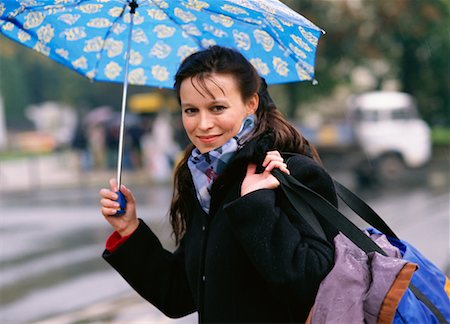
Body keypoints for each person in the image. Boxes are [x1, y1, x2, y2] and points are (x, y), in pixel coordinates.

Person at [99, 45, 338, 323]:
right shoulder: (204, 179)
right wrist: (129, 230)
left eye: (217, 108)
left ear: (251, 103)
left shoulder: (292, 173)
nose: (203, 124)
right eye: (190, 110)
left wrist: (256, 205)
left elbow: (315, 285)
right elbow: (179, 294)